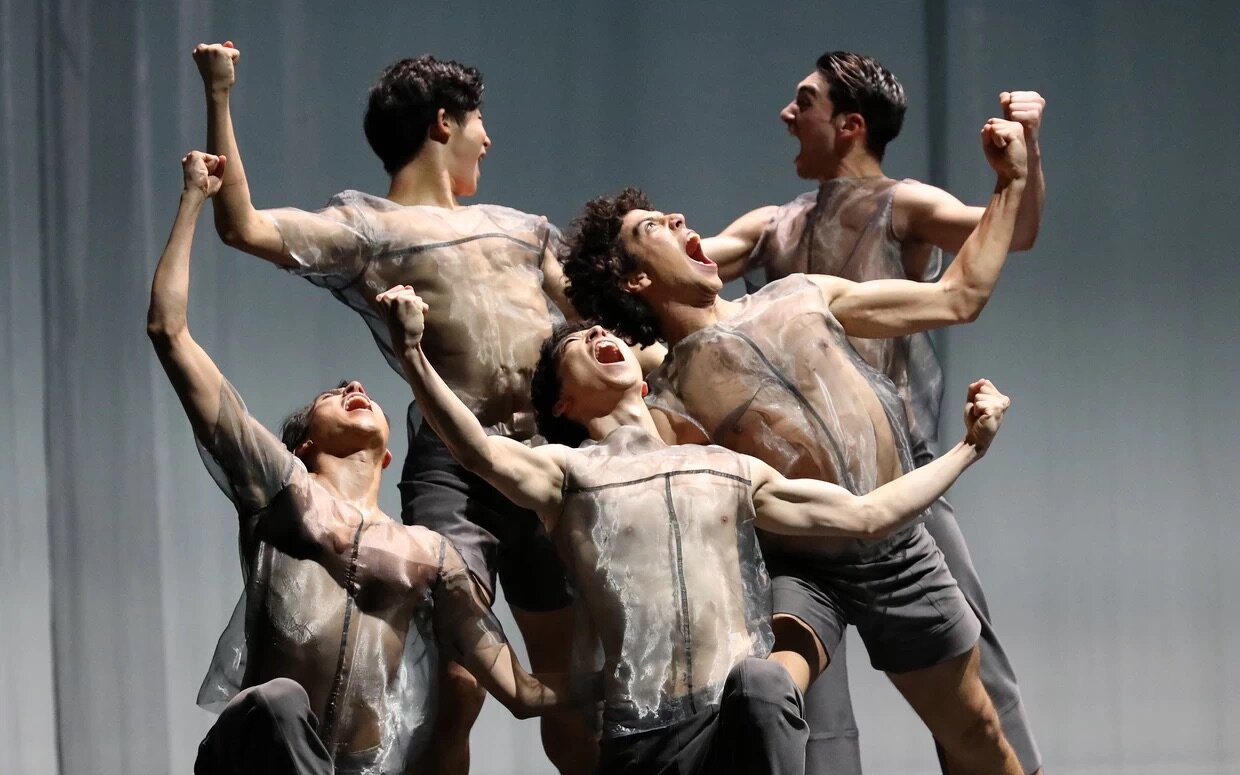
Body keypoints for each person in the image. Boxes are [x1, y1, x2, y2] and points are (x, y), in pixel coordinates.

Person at [372, 282, 1014, 775]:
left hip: (731, 724)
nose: (598, 334)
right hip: (640, 739)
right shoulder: (566, 475)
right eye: (576, 345)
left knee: (764, 683)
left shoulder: (730, 470)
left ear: (640, 371)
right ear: (563, 403)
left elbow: (867, 515)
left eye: (603, 332)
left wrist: (967, 450)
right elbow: (476, 451)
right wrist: (412, 353)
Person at [558, 114, 1029, 774]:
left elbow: (960, 295)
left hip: (898, 550)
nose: (676, 217)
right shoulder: (663, 403)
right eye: (651, 228)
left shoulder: (804, 295)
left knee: (976, 727)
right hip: (803, 572)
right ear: (636, 280)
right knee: (764, 690)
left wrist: (1010, 181)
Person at [191, 41, 598, 772]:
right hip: (457, 462)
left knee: (566, 677)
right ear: (444, 122)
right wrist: (220, 94)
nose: (489, 139)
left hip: (545, 456)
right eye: (479, 123)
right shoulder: (369, 227)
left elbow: (599, 323)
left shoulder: (524, 229)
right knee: (460, 679)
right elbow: (243, 226)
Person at [714, 51, 1046, 774]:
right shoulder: (773, 225)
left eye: (803, 101)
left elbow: (1011, 233)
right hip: (804, 502)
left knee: (970, 669)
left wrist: (1024, 159)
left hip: (902, 480)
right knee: (810, 696)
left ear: (850, 125)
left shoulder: (906, 204)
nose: (786, 113)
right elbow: (686, 267)